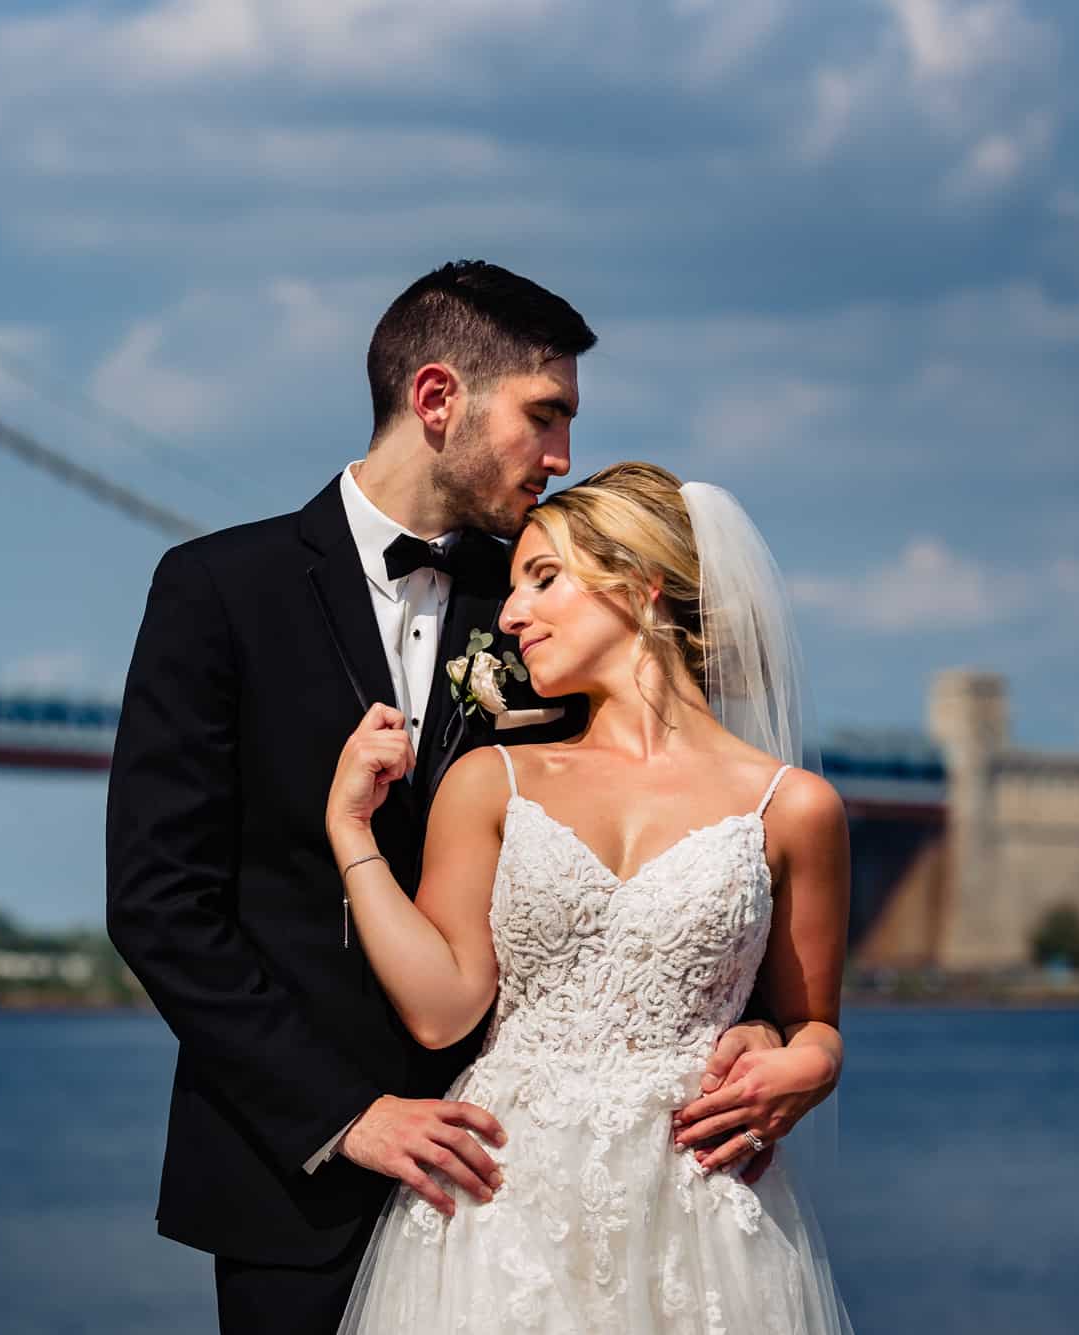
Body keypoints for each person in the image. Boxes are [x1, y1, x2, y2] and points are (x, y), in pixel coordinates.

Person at [105, 263, 809, 1334]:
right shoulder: (214, 592)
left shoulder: (546, 599)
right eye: (544, 415)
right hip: (294, 1180)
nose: (562, 458)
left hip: (542, 1196)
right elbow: (159, 905)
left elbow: (664, 832)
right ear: (438, 400)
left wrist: (757, 1032)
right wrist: (343, 1116)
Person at [325, 461, 851, 1332]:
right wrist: (350, 830)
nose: (509, 614)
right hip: (501, 1205)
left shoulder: (794, 807)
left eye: (543, 578)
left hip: (697, 1216)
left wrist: (815, 1063)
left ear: (641, 585)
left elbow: (810, 1020)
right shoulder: (490, 779)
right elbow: (441, 1010)